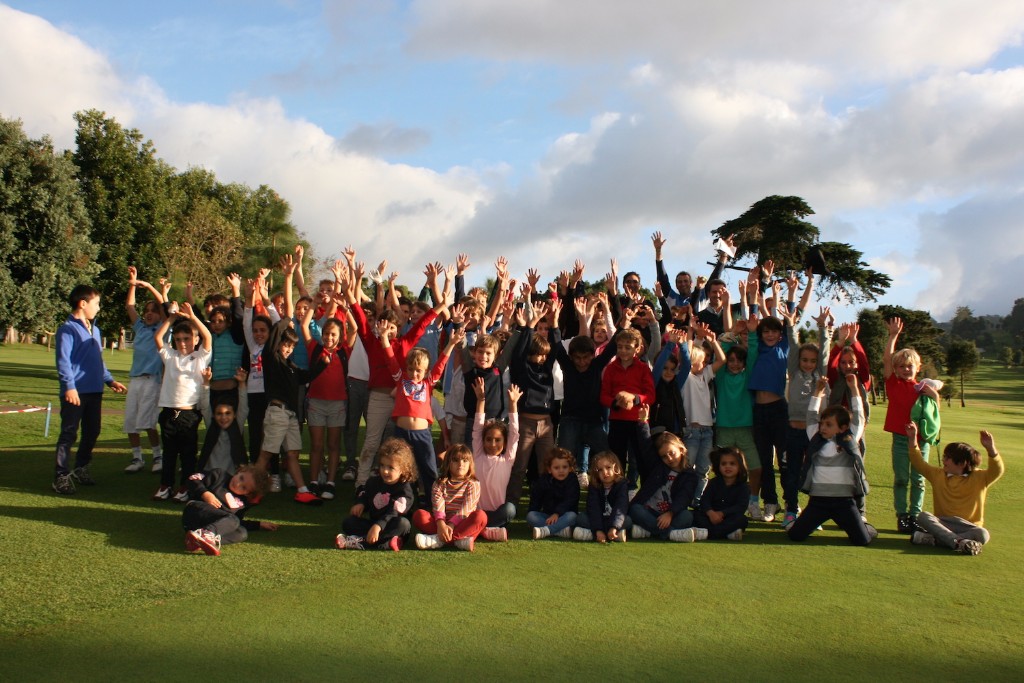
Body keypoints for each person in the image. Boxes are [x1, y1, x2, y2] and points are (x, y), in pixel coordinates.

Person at [52, 284, 128, 494]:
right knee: (69, 434)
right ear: (83, 303)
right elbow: (63, 361)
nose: (99, 308)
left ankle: (81, 467)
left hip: (95, 391)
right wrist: (69, 387)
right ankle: (60, 476)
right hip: (75, 393)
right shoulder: (67, 329)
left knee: (92, 431)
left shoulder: (95, 330)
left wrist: (109, 380)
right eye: (96, 303)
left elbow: (98, 361)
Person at [383, 308, 464, 499]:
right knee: (402, 467)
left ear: (426, 371)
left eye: (419, 370)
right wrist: (384, 338)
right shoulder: (401, 379)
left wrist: (451, 343)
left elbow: (441, 363)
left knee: (428, 468)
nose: (414, 373)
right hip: (401, 433)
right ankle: (404, 500)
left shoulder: (428, 383)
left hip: (422, 434)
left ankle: (432, 501)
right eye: (411, 369)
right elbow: (390, 359)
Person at [786, 376, 877, 546]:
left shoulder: (850, 440)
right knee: (795, 536)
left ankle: (864, 528)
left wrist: (854, 389)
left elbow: (859, 417)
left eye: (829, 425)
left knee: (862, 540)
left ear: (843, 428)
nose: (822, 427)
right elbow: (811, 416)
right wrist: (817, 392)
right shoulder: (816, 438)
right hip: (818, 502)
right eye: (822, 424)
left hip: (844, 503)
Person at [906, 422, 1004, 556]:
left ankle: (935, 540)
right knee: (923, 516)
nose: (943, 460)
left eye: (948, 458)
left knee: (983, 534)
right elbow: (919, 463)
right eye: (944, 456)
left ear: (962, 463)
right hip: (943, 523)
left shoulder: (981, 477)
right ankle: (960, 542)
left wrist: (991, 449)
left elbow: (997, 470)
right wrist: (912, 438)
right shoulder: (938, 475)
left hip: (968, 526)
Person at [152, 302, 213, 502]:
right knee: (169, 453)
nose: (182, 343)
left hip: (188, 414)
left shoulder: (199, 357)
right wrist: (171, 318)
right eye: (178, 339)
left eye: (187, 339)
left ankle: (186, 487)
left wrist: (192, 317)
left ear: (195, 339)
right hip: (169, 413)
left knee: (188, 454)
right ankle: (166, 485)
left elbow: (208, 337)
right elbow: (158, 338)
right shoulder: (171, 356)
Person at [883, 317, 937, 533]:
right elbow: (887, 360)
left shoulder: (923, 389)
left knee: (918, 480)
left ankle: (916, 516)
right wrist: (893, 336)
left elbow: (934, 416)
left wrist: (935, 396)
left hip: (921, 441)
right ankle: (902, 516)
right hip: (900, 439)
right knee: (901, 479)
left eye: (910, 366)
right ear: (896, 369)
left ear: (918, 368)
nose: (906, 369)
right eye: (902, 366)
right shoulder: (894, 384)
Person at [336, 438, 417, 551]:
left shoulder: (405, 489)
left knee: (403, 524)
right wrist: (361, 504)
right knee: (349, 522)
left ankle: (361, 541)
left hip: (391, 525)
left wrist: (379, 526)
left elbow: (394, 512)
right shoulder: (373, 482)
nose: (385, 471)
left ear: (403, 469)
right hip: (374, 524)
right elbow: (366, 495)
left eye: (391, 467)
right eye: (382, 465)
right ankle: (388, 543)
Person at [600, 327, 655, 492]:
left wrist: (634, 398)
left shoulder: (643, 368)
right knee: (616, 460)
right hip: (617, 420)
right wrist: (617, 403)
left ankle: (644, 494)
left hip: (638, 421)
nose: (623, 350)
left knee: (641, 459)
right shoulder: (611, 368)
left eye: (628, 347)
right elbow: (603, 396)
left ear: (637, 349)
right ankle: (616, 493)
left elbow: (651, 395)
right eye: (620, 347)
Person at [122, 267, 165, 473]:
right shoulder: (140, 327)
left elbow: (164, 306)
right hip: (135, 379)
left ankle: (157, 456)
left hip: (152, 380)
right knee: (131, 421)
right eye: (147, 310)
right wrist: (133, 283)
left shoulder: (162, 328)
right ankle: (137, 458)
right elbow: (130, 306)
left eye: (153, 311)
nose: (149, 313)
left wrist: (148, 286)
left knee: (148, 421)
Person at [628, 424, 701, 543]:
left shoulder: (689, 475)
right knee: (635, 509)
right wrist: (643, 423)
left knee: (687, 516)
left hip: (671, 515)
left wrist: (670, 513)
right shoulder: (658, 466)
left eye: (672, 453)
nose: (669, 459)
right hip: (649, 511)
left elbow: (684, 497)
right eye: (664, 456)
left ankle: (648, 531)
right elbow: (646, 446)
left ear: (681, 449)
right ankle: (670, 533)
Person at [182, 465, 276, 556]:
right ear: (240, 471)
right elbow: (192, 479)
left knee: (242, 532)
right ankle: (205, 534)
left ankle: (200, 540)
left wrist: (258, 525)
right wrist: (204, 493)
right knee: (233, 519)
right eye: (241, 478)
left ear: (248, 494)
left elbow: (233, 524)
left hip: (203, 526)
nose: (238, 484)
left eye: (243, 487)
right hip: (195, 512)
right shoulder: (219, 475)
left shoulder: (242, 504)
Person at [471, 379, 523, 541]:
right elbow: (478, 427)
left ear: (505, 443)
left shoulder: (507, 459)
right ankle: (487, 529)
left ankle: (482, 529)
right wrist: (481, 400)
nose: (493, 444)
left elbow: (514, 433)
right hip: (478, 512)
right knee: (474, 514)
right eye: (488, 439)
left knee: (510, 509)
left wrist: (513, 404)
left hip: (498, 513)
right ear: (483, 441)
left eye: (498, 440)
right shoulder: (478, 455)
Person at [412, 444, 487, 551]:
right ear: (448, 462)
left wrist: (451, 525)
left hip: (463, 523)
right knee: (419, 515)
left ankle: (439, 540)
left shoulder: (473, 483)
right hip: (442, 523)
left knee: (481, 516)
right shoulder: (439, 483)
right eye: (455, 460)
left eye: (465, 460)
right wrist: (441, 525)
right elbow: (438, 507)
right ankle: (458, 541)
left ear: (470, 464)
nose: (460, 464)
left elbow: (466, 509)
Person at [196, 367, 249, 475]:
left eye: (228, 413)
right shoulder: (211, 424)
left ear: (234, 415)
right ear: (214, 415)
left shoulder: (237, 425)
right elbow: (205, 406)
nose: (223, 418)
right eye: (219, 414)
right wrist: (206, 382)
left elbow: (243, 407)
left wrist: (242, 383)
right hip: (209, 475)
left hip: (232, 476)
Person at [694, 447, 751, 541]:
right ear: (718, 466)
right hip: (710, 517)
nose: (728, 466)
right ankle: (726, 534)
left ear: (740, 466)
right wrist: (711, 513)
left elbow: (740, 506)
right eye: (724, 464)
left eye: (732, 463)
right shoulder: (713, 483)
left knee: (741, 520)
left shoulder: (743, 486)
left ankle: (708, 534)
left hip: (729, 517)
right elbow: (705, 500)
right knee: (695, 516)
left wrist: (722, 513)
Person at [573, 451, 631, 543]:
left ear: (615, 467)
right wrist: (598, 530)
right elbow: (593, 508)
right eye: (600, 470)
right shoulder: (594, 486)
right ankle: (612, 535)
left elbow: (620, 507)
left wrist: (614, 527)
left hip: (614, 518)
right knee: (581, 518)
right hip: (598, 519)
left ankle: (595, 534)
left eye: (608, 467)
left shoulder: (621, 485)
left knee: (627, 520)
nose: (605, 472)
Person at [526, 447, 581, 539]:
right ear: (549, 469)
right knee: (531, 516)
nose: (561, 471)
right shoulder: (544, 480)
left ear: (570, 468)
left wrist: (557, 513)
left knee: (572, 516)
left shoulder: (572, 480)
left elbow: (570, 500)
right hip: (548, 516)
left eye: (565, 467)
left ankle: (547, 531)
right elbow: (536, 499)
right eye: (556, 468)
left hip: (565, 515)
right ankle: (560, 531)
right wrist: (532, 512)